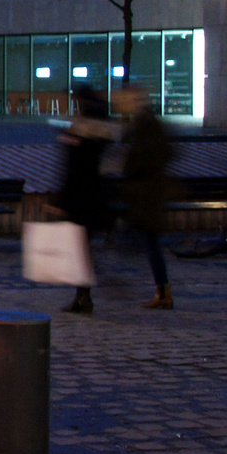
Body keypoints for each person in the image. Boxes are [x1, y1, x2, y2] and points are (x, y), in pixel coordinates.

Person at [52, 85, 116, 314]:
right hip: (96, 195)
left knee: (79, 248)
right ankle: (83, 295)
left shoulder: (80, 130)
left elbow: (72, 168)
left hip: (79, 197)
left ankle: (84, 295)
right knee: (82, 247)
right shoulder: (103, 132)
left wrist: (61, 201)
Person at [116, 87, 175, 309]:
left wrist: (128, 167)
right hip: (149, 192)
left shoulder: (144, 125)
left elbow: (141, 159)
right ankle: (163, 291)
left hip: (146, 194)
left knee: (149, 243)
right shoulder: (149, 123)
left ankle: (163, 292)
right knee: (149, 242)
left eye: (126, 100)